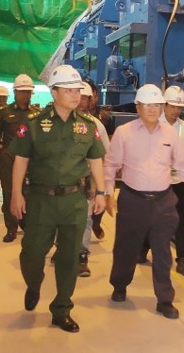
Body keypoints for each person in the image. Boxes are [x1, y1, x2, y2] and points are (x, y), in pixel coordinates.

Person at [9, 65, 107, 333]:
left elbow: (95, 159)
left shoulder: (87, 126)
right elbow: (21, 159)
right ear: (54, 93)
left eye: (78, 90)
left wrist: (101, 192)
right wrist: (16, 194)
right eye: (69, 90)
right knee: (31, 253)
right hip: (41, 200)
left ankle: (62, 309)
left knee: (69, 258)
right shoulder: (34, 123)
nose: (76, 95)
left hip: (74, 201)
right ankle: (34, 283)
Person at [104, 84, 184, 320]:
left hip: (163, 201)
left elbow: (183, 165)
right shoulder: (124, 133)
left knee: (163, 252)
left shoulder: (171, 135)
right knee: (125, 248)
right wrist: (108, 194)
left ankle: (165, 300)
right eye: (148, 105)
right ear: (138, 107)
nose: (153, 109)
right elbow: (111, 165)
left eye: (157, 105)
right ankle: (119, 285)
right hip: (132, 200)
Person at [0, 76, 39, 241]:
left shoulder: (36, 114)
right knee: (9, 193)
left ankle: (26, 223)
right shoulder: (4, 113)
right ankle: (11, 228)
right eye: (22, 92)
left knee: (28, 192)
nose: (26, 95)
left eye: (28, 92)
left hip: (30, 160)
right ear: (15, 92)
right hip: (9, 159)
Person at [77, 82, 110, 277]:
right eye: (78, 96)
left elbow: (104, 156)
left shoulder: (96, 125)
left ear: (90, 101)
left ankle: (82, 256)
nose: (80, 101)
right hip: (64, 179)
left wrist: (101, 188)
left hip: (88, 179)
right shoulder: (61, 122)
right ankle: (62, 248)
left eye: (84, 98)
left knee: (86, 218)